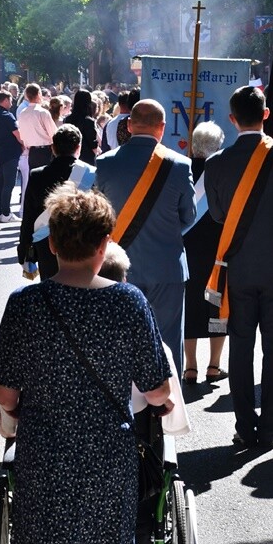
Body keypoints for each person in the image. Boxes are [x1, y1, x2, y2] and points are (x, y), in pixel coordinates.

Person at [0, 184, 173, 544]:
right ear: (103, 245)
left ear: (52, 245)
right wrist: (159, 401)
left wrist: (22, 403)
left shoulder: (26, 304)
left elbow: (3, 392)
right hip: (108, 460)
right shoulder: (128, 302)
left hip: (45, 459)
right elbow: (157, 388)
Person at [204, 85, 273, 449]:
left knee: (240, 348)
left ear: (232, 119)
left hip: (238, 268)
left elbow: (218, 215)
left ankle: (244, 426)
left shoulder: (216, 162)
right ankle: (270, 428)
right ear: (266, 114)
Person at [95, 99, 196, 377]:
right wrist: (166, 235)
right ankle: (168, 402)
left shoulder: (105, 163)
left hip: (116, 266)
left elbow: (98, 216)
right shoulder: (180, 164)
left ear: (129, 125)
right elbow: (189, 216)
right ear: (162, 127)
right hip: (167, 266)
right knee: (168, 344)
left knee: (120, 344)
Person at [18, 123, 95, 280]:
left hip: (46, 242)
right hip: (82, 241)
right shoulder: (91, 174)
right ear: (78, 147)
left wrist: (24, 247)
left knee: (49, 285)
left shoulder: (37, 175)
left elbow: (29, 216)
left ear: (53, 147)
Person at [182, 121, 227, 384]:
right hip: (217, 251)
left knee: (190, 306)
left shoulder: (181, 170)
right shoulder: (224, 173)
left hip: (187, 250)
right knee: (216, 307)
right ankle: (214, 366)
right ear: (218, 147)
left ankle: (190, 367)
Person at [0, 90, 24, 222]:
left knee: (0, 183)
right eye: (10, 100)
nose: (12, 103)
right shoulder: (7, 116)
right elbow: (17, 134)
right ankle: (6, 213)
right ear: (6, 100)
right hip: (10, 152)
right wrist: (24, 144)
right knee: (8, 184)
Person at [17, 82, 58, 169]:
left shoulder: (22, 113)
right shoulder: (43, 112)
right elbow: (53, 134)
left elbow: (22, 135)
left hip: (32, 153)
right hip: (45, 151)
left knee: (34, 176)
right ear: (39, 94)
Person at [67, 89, 99, 165]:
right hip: (86, 158)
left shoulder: (67, 119)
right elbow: (93, 143)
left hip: (70, 157)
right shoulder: (89, 121)